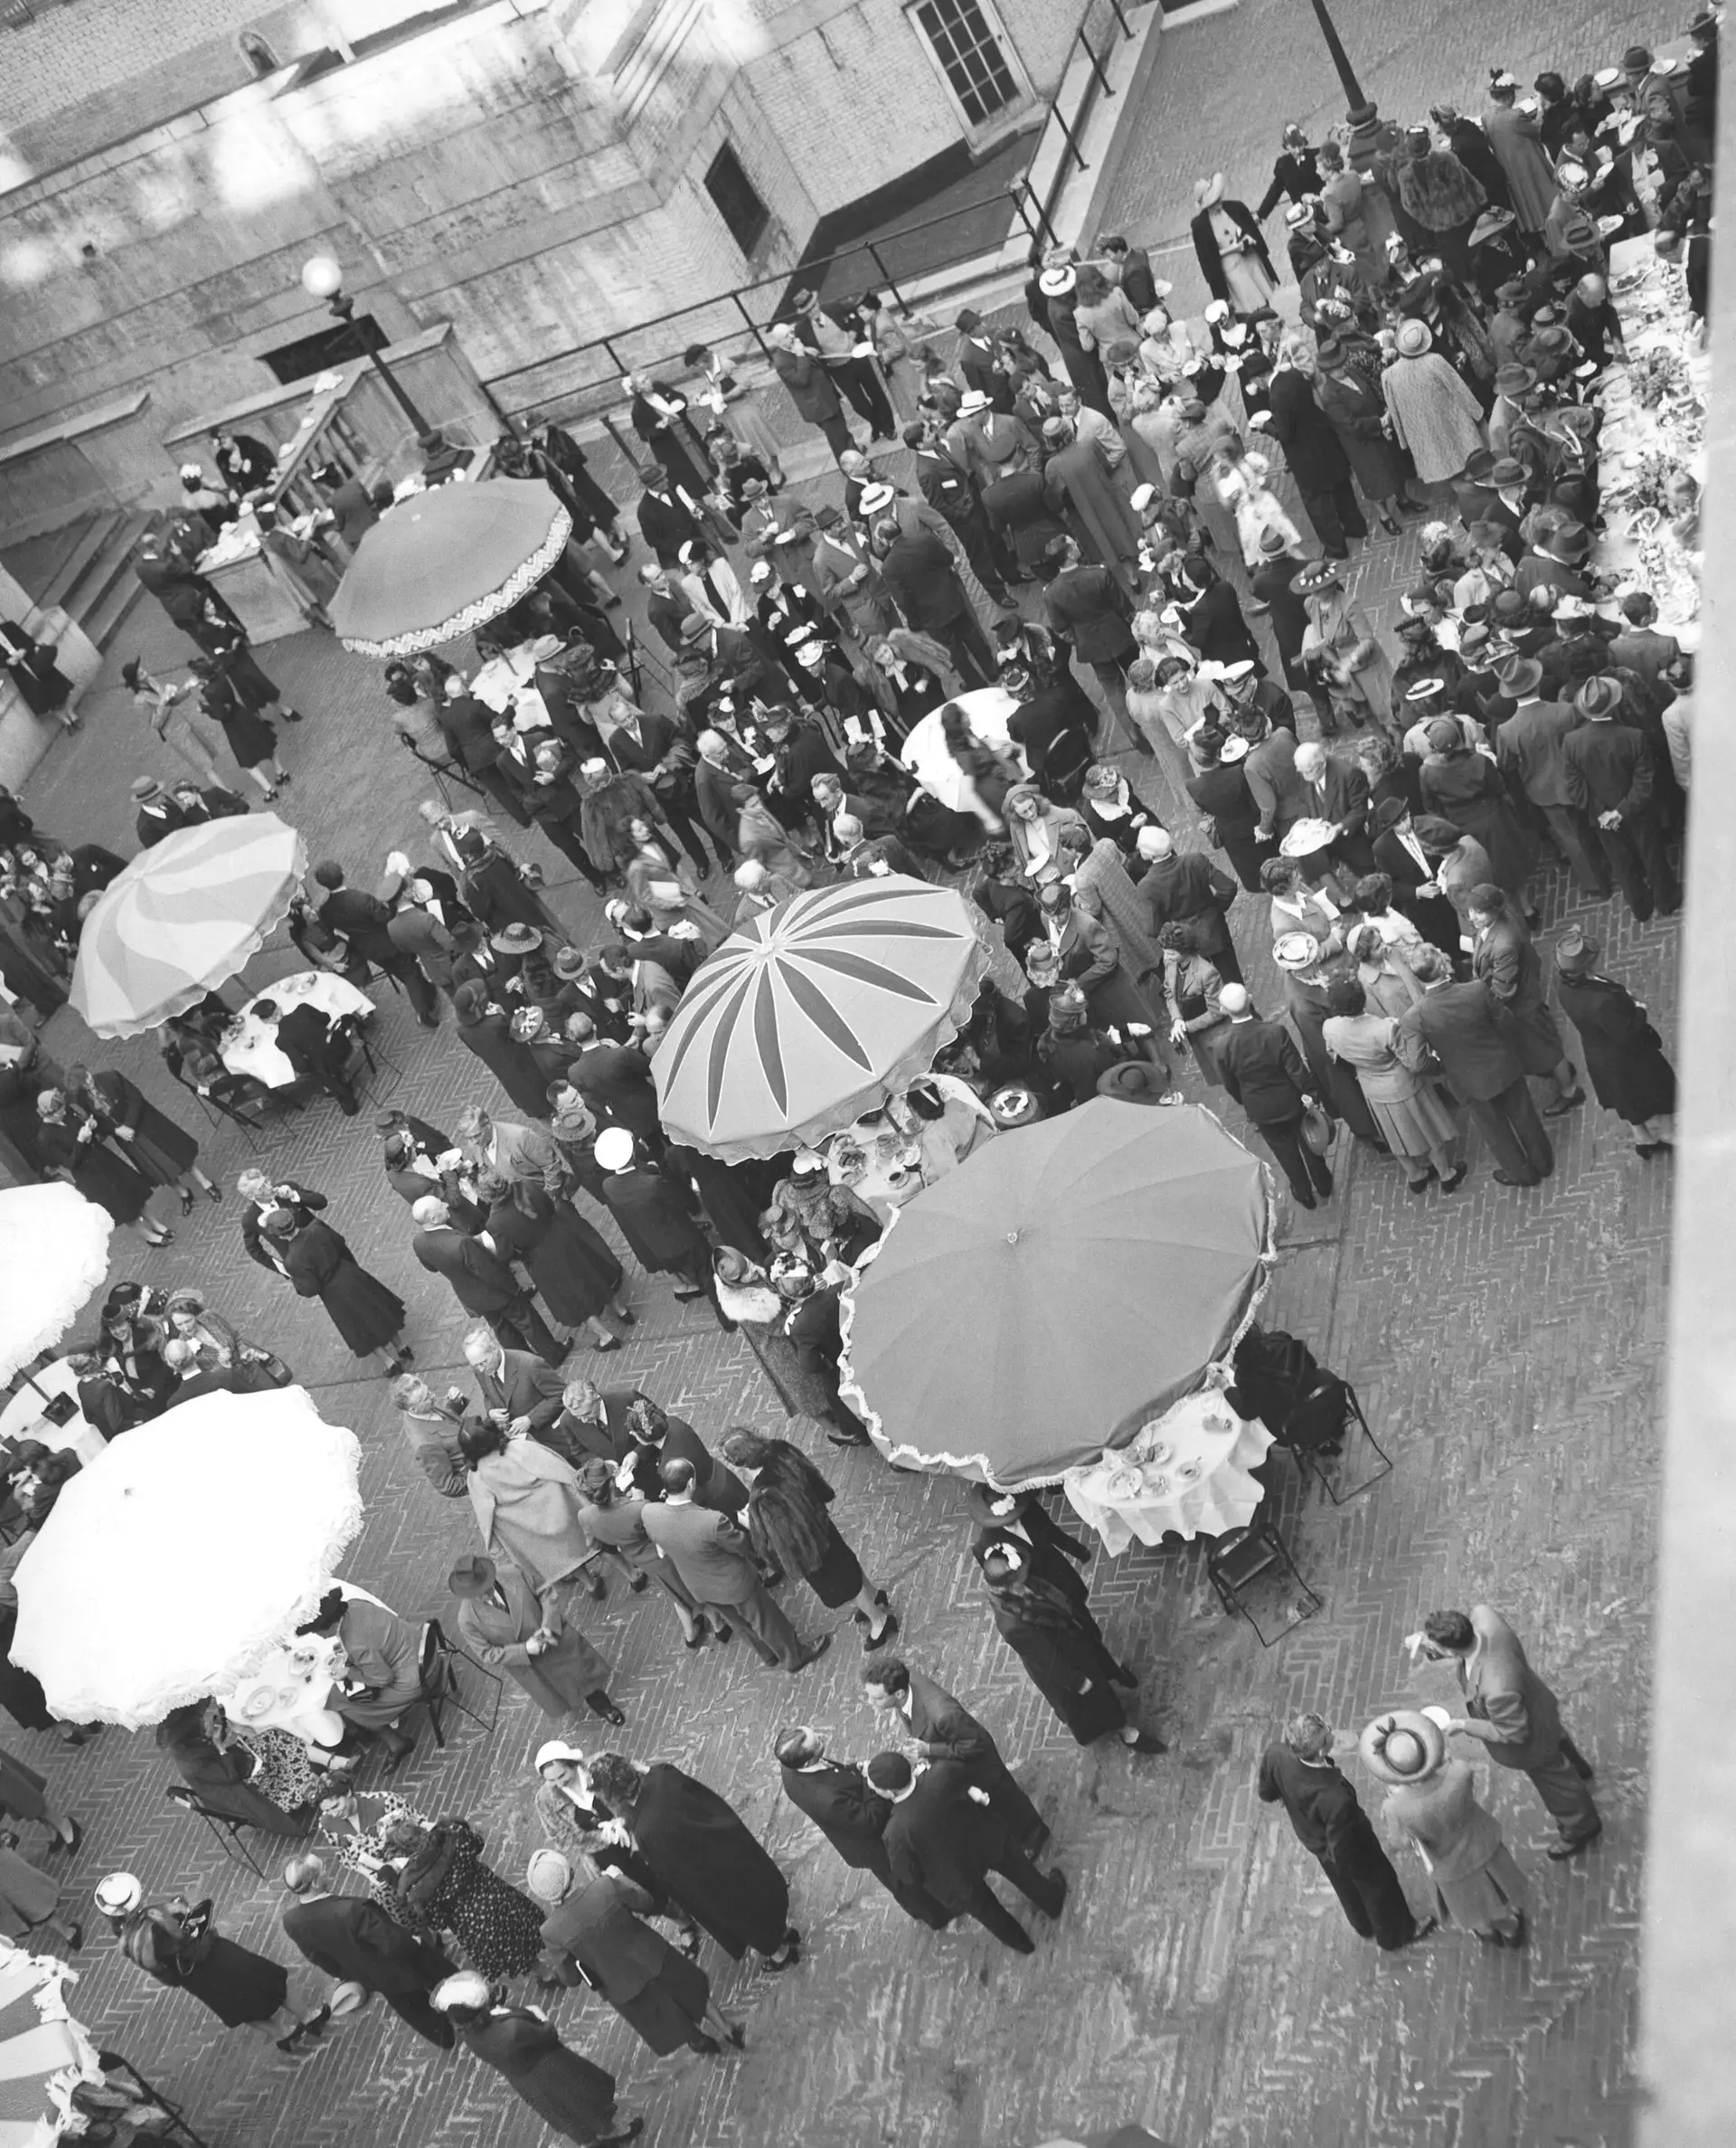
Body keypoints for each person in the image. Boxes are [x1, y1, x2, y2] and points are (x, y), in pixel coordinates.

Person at [1407, 1604, 1601, 1859]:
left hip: (1532, 1742)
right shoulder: (1485, 1618)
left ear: (1449, 1649)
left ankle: (1581, 1826)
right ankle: (1579, 1768)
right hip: (1538, 1705)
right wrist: (1427, 1644)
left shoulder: (1497, 1689)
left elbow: (1513, 1733)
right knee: (1558, 1739)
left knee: (1555, 1782)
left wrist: (1464, 1725)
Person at [586, 1753, 800, 1970]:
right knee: (762, 1893)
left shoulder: (646, 1831)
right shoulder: (663, 1774)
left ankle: (781, 1954)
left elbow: (674, 1873)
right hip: (732, 1845)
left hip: (716, 1877)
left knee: (747, 1916)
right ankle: (782, 1931)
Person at [529, 1853, 738, 2062]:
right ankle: (727, 2029)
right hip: (652, 1955)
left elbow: (571, 1979)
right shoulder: (604, 1886)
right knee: (690, 1989)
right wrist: (619, 1877)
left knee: (668, 2015)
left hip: (621, 1987)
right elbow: (646, 1902)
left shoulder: (551, 1931)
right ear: (570, 1872)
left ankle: (697, 2039)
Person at [1258, 1711, 1434, 1951]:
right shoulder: (1335, 1797)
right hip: (1350, 1847)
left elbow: (1266, 1790)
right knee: (1380, 1886)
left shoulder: (1276, 1753)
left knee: (1344, 1885)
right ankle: (1397, 1934)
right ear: (1321, 1751)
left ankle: (1363, 1924)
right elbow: (1342, 1849)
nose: (1331, 1731)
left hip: (1315, 1840)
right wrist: (1358, 1865)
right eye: (1327, 1733)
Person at [868, 1749, 1066, 1954]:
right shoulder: (941, 1773)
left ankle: (1021, 1943)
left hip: (955, 1875)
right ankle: (1051, 1900)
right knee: (1020, 1870)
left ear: (890, 1792)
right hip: (983, 1838)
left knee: (988, 1911)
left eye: (877, 1788)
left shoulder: (895, 1833)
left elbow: (908, 1875)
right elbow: (964, 1776)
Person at [640, 1456, 829, 1670]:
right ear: (691, 1484)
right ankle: (794, 1657)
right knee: (766, 1620)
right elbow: (740, 1545)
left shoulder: (649, 1513)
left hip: (699, 1586)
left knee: (739, 1624)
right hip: (734, 1582)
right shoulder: (712, 1521)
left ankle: (768, 1654)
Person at [1362, 1710, 1527, 1949]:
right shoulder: (1459, 1772)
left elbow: (1401, 1843)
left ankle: (1486, 1931)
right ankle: (1511, 1931)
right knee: (1498, 1897)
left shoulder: (1395, 1807)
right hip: (1482, 1844)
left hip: (1447, 1866)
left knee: (1467, 1905)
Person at [1392, 944, 1554, 1188]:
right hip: (1503, 1066)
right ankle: (1543, 1162)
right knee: (1525, 1116)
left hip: (1467, 1081)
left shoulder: (1416, 1016)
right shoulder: (1476, 990)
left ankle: (1521, 1174)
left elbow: (1416, 1062)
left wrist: (1442, 1065)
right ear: (1442, 963)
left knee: (1496, 1131)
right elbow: (1507, 1021)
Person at [977, 1544, 1162, 1754]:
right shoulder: (1012, 1625)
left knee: (1099, 1660)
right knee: (1098, 1698)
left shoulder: (1023, 1585)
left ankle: (1116, 1674)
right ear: (1009, 1584)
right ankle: (1126, 1732)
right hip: (1067, 1660)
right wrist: (1077, 1681)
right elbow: (1046, 1658)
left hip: (1072, 1635)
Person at [718, 1428, 893, 1648]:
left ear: (738, 1462)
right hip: (821, 1523)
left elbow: (781, 1540)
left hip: (810, 1549)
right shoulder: (779, 1449)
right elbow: (811, 1476)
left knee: (845, 1585)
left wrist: (751, 1525)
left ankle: (880, 1620)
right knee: (847, 1564)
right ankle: (874, 1596)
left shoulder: (764, 1495)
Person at [861, 1656, 1047, 1854]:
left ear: (898, 1693)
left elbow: (974, 1745)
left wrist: (928, 1750)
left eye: (877, 1698)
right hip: (956, 1762)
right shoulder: (905, 1688)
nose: (871, 1702)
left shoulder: (943, 1714)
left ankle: (1033, 1833)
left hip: (978, 1764)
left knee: (1004, 1796)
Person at [431, 1968, 637, 2144]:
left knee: (565, 2113)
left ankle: (590, 2141)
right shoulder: (512, 2030)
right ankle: (613, 2131)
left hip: (525, 2081)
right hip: (552, 2068)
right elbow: (548, 2034)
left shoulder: (468, 2033)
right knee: (584, 2100)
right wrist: (537, 2013)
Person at [775, 1726, 949, 1926]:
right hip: (873, 1844)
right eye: (818, 1743)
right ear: (807, 1761)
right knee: (905, 1882)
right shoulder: (827, 1800)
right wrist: (872, 1782)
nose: (822, 1737)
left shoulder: (790, 1764)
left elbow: (834, 1773)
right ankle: (936, 1916)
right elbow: (870, 1821)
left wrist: (855, 1768)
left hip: (853, 1816)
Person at [280, 1852, 456, 2049]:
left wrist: (351, 1973)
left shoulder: (291, 1922)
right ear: (314, 1884)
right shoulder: (349, 1911)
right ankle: (469, 2007)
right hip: (403, 1956)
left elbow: (316, 1957)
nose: (328, 1873)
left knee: (414, 2009)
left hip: (373, 1974)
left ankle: (443, 2037)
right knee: (445, 1977)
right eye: (323, 1871)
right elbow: (392, 1942)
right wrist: (413, 1940)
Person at [113, 1891, 327, 2051]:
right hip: (216, 1956)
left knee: (240, 2008)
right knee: (273, 1979)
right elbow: (192, 1934)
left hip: (195, 1980)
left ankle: (284, 2035)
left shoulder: (131, 1946)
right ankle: (309, 2017)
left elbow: (168, 1978)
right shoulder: (156, 1917)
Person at [1322, 976, 1464, 1194]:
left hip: (1372, 1088)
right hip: (1403, 1085)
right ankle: (1446, 1174)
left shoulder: (1329, 1027)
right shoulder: (1385, 1029)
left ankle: (1415, 1175)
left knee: (1393, 1134)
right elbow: (1410, 1060)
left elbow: (1334, 1055)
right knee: (1429, 1130)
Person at [448, 1553, 623, 1725]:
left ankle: (603, 1707)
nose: (484, 1596)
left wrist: (548, 1626)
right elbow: (486, 1653)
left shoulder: (513, 1573)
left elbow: (545, 1593)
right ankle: (574, 1705)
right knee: (560, 1694)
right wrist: (524, 1649)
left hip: (555, 1642)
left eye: (486, 1588)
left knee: (583, 1677)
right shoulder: (467, 1619)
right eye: (477, 1594)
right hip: (531, 1666)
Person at [1561, 676, 1679, 922]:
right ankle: (1666, 901)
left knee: (1622, 863)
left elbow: (1574, 786)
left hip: (1602, 818)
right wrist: (1622, 810)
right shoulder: (1634, 737)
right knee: (1652, 856)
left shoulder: (1572, 742)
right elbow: (1644, 781)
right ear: (1613, 704)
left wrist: (1603, 812)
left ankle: (1640, 908)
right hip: (1637, 811)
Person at [1552, 927, 1675, 1157]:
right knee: (1661, 1088)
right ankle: (1668, 1133)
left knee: (1626, 1098)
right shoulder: (1601, 1002)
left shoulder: (1562, 983)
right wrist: (1639, 1010)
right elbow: (1626, 1034)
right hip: (1625, 1057)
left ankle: (1643, 1138)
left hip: (1599, 1053)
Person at [1464, 885, 1582, 1116]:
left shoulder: (1504, 944)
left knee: (1547, 1049)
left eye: (1479, 912)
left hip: (1522, 1006)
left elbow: (1502, 989)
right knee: (1544, 1045)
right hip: (1524, 999)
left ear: (1494, 911)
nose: (1472, 917)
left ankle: (1570, 1090)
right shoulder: (1499, 922)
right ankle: (1562, 1072)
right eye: (1471, 910)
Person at [1213, 984, 1333, 1208]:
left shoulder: (1221, 1046)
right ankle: (1323, 1183)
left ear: (1224, 1010)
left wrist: (1247, 1102)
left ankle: (1304, 1193)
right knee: (1309, 1142)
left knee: (1286, 1154)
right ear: (1250, 1000)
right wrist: (1310, 1094)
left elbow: (1230, 1085)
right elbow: (1296, 1070)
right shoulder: (1274, 1033)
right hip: (1291, 1102)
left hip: (1261, 1110)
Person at [410, 1194, 564, 1361]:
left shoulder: (419, 1242)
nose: (446, 1205)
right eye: (441, 1205)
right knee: (528, 1322)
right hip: (497, 1292)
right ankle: (554, 1355)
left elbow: (431, 1268)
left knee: (503, 1330)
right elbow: (488, 1272)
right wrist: (513, 1288)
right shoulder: (460, 1243)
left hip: (473, 1297)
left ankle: (526, 1361)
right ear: (433, 1218)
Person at [261, 1206, 412, 1375]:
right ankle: (401, 1347)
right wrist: (351, 1267)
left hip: (334, 1293)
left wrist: (297, 1284)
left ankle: (390, 1363)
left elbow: (311, 1288)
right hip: (349, 1273)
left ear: (280, 1235)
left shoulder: (292, 1260)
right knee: (377, 1309)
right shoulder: (317, 1228)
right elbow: (340, 1243)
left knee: (360, 1327)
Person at [295, 1585, 423, 1764]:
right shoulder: (354, 1604)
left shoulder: (355, 1645)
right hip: (415, 1642)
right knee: (341, 1696)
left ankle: (396, 1742)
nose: (318, 1635)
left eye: (317, 1630)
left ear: (328, 1626)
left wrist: (348, 1671)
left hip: (410, 1676)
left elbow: (383, 1679)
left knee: (348, 1706)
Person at [33, 1088, 173, 1247]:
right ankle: (149, 1237)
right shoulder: (45, 1138)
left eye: (63, 1109)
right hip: (91, 1175)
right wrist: (80, 1141)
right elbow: (70, 1163)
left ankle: (156, 1224)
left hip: (104, 1160)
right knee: (123, 1208)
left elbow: (86, 1128)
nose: (63, 1113)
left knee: (133, 1194)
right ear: (48, 1114)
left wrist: (90, 1126)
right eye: (58, 1112)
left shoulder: (68, 1114)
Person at [156, 1701, 315, 1840]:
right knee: (279, 1741)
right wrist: (218, 1745)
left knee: (271, 1736)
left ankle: (311, 1753)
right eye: (198, 1724)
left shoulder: (190, 1747)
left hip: (240, 1764)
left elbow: (215, 1757)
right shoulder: (193, 1763)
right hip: (244, 1791)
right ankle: (311, 1770)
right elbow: (230, 1776)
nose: (202, 1724)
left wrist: (216, 1735)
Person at [593, 1128, 712, 1301]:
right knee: (707, 1273)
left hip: (656, 1245)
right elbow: (681, 1202)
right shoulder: (653, 1183)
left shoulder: (608, 1185)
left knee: (687, 1271)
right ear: (632, 1153)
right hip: (683, 1239)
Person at [1382, 321, 1486, 487]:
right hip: (1451, 423)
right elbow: (1459, 389)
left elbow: (1394, 411)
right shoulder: (1435, 361)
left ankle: (1463, 501)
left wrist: (1403, 441)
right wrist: (1477, 413)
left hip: (1421, 433)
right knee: (1466, 464)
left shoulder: (1389, 376)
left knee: (1445, 471)